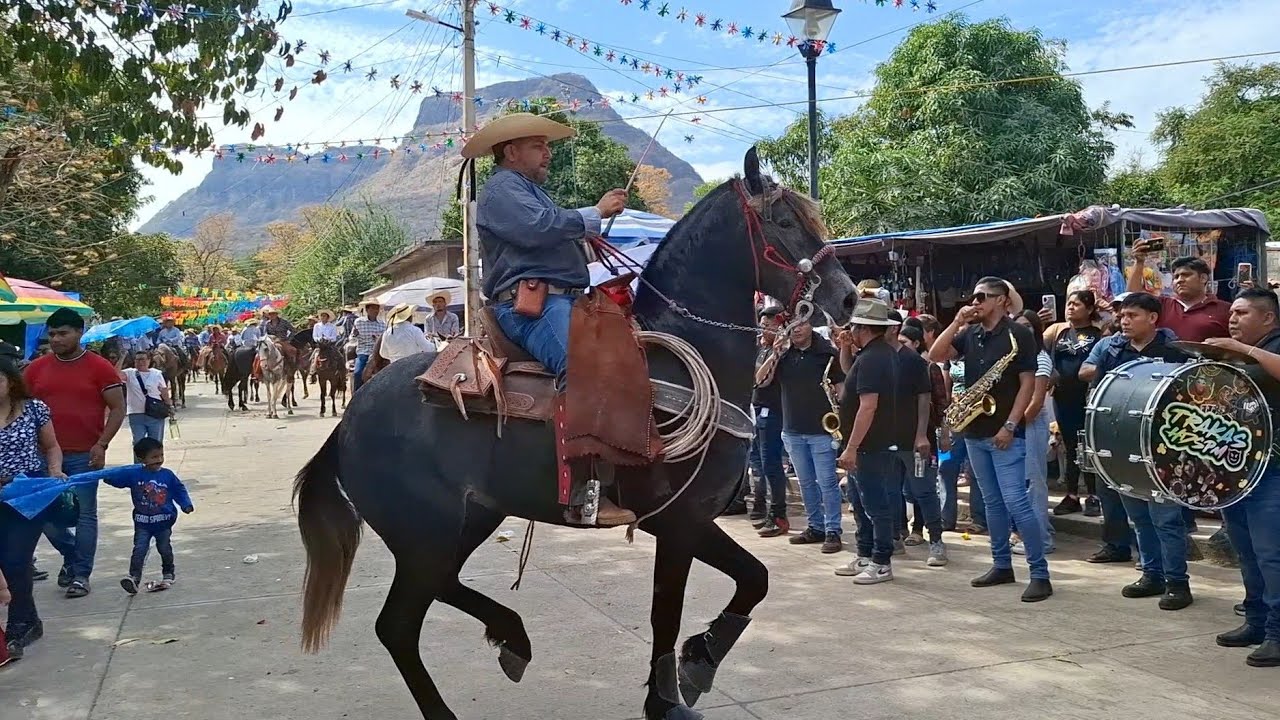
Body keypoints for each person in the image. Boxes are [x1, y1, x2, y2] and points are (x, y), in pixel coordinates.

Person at [471, 112, 627, 385]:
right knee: (582, 369)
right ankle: (581, 430)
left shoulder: (525, 189)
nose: (548, 154)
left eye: (547, 147)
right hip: (535, 307)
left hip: (556, 302)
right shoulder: (502, 186)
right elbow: (538, 227)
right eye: (538, 146)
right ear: (511, 152)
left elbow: (544, 231)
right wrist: (596, 212)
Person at [930, 277, 1052, 602]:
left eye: (982, 297)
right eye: (973, 296)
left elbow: (1028, 383)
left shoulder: (1020, 334)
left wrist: (1011, 425)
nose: (975, 302)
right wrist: (957, 320)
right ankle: (1001, 565)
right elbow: (935, 353)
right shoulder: (971, 333)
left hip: (1005, 432)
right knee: (993, 502)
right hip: (974, 430)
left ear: (1001, 300)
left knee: (1016, 502)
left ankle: (1040, 574)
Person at [1080, 292, 1193, 608]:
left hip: (1165, 449)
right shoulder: (1114, 350)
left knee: (1167, 520)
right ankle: (1152, 574)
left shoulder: (1174, 350)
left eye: (1133, 315)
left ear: (1153, 318)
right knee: (1139, 517)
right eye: (1122, 316)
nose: (1124, 321)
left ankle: (1178, 583)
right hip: (1123, 445)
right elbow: (1093, 383)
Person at [26, 308, 126, 598]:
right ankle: (71, 554)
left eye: (62, 333)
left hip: (85, 455)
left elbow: (118, 408)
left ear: (79, 333)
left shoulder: (100, 367)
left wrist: (102, 443)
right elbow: (23, 409)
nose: (55, 339)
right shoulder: (36, 369)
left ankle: (81, 574)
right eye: (52, 334)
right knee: (43, 516)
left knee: (85, 515)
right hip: (44, 457)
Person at [1204, 288, 1280, 666]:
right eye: (1231, 312)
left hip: (1273, 469)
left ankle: (1278, 633)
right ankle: (1256, 620)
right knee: (1247, 551)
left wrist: (1246, 352)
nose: (1232, 319)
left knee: (1272, 555)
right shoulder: (1235, 352)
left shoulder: (1274, 346)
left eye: (1242, 313)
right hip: (1238, 469)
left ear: (1268, 318)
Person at [0, 344, 66, 660]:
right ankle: (27, 617)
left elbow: (52, 447)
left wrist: (55, 470)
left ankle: (21, 624)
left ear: (10, 381)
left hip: (28, 495)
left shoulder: (34, 409)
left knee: (15, 560)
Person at [757, 318, 845, 553]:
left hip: (822, 431)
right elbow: (760, 380)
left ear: (811, 327)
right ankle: (815, 526)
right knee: (805, 483)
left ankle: (833, 530)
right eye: (792, 326)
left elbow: (841, 390)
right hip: (792, 430)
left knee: (827, 483)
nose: (795, 329)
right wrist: (775, 353)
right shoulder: (784, 355)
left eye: (801, 325)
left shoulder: (827, 354)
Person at [103, 438, 194, 594]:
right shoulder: (134, 474)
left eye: (161, 455)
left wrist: (185, 504)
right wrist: (105, 475)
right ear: (141, 459)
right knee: (139, 549)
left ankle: (168, 572)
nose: (159, 460)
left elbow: (179, 489)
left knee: (164, 548)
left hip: (163, 522)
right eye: (154, 457)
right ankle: (134, 578)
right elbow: (118, 479)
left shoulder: (167, 475)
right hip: (142, 522)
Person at [1048, 290, 1104, 517]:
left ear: (1090, 309)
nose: (1070, 307)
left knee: (1089, 445)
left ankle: (1094, 495)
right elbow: (1050, 361)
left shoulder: (1099, 335)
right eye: (1068, 303)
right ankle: (1072, 495)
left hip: (1089, 398)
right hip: (1063, 397)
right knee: (1070, 446)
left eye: (1077, 304)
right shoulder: (1059, 333)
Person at [1011, 310, 1055, 556]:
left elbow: (1036, 402)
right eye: (1019, 326)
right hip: (1017, 425)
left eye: (1029, 326)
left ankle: (1041, 541)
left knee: (1034, 484)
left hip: (1031, 425)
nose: (1023, 331)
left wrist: (1011, 426)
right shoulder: (1015, 357)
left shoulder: (1040, 358)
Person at [1127, 243, 1230, 342]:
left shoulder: (1225, 309)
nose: (1180, 280)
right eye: (1176, 277)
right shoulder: (1163, 305)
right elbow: (1133, 298)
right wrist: (1139, 262)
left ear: (1203, 278)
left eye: (1186, 275)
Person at [749, 307, 789, 538]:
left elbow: (761, 379)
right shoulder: (761, 347)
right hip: (757, 410)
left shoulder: (781, 351)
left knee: (772, 465)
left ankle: (778, 515)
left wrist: (776, 353)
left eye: (769, 325)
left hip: (773, 412)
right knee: (760, 464)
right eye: (762, 323)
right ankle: (765, 509)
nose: (764, 329)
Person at [122, 350, 173, 444]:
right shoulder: (129, 373)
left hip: (155, 412)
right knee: (138, 442)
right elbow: (114, 375)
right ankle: (138, 459)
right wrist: (122, 357)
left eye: (142, 359)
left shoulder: (157, 374)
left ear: (149, 360)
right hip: (136, 414)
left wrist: (169, 405)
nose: (140, 362)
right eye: (137, 360)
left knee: (156, 442)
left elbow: (164, 391)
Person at [351, 301, 386, 393]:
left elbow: (386, 339)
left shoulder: (383, 324)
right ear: (367, 310)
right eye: (373, 308)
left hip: (379, 353)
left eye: (377, 308)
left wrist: (378, 339)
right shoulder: (359, 322)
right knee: (358, 373)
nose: (376, 311)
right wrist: (355, 335)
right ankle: (356, 395)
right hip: (364, 352)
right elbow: (352, 338)